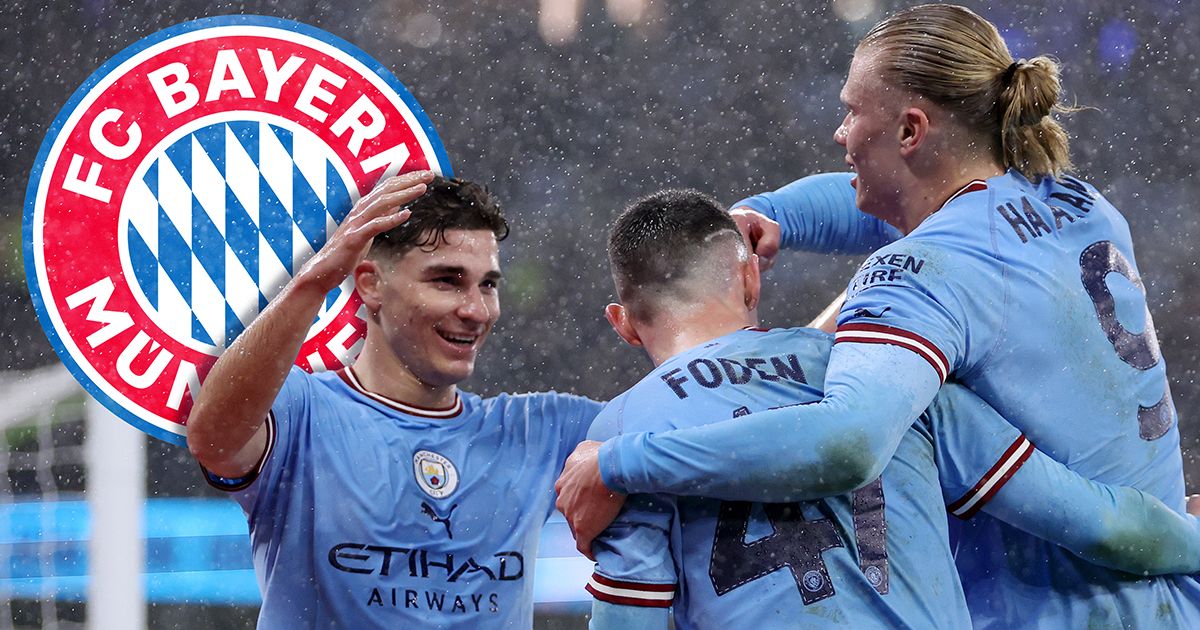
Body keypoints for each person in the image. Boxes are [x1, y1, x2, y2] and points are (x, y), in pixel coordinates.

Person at [556, 5, 1200, 627]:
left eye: (851, 112)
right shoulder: (1076, 201)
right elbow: (911, 212)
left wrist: (618, 461)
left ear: (910, 131)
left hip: (1055, 604)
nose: (840, 134)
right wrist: (776, 213)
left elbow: (847, 443)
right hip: (1161, 574)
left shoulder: (909, 282)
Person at [581, 189, 1200, 629]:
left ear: (623, 324)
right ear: (749, 280)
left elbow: (628, 616)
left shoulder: (620, 435)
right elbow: (1103, 525)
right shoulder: (883, 372)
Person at [187, 172, 602, 628]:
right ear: (370, 285)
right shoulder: (301, 412)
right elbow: (213, 437)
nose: (476, 310)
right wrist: (315, 279)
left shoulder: (541, 430)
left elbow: (684, 434)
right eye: (447, 281)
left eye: (487, 284)